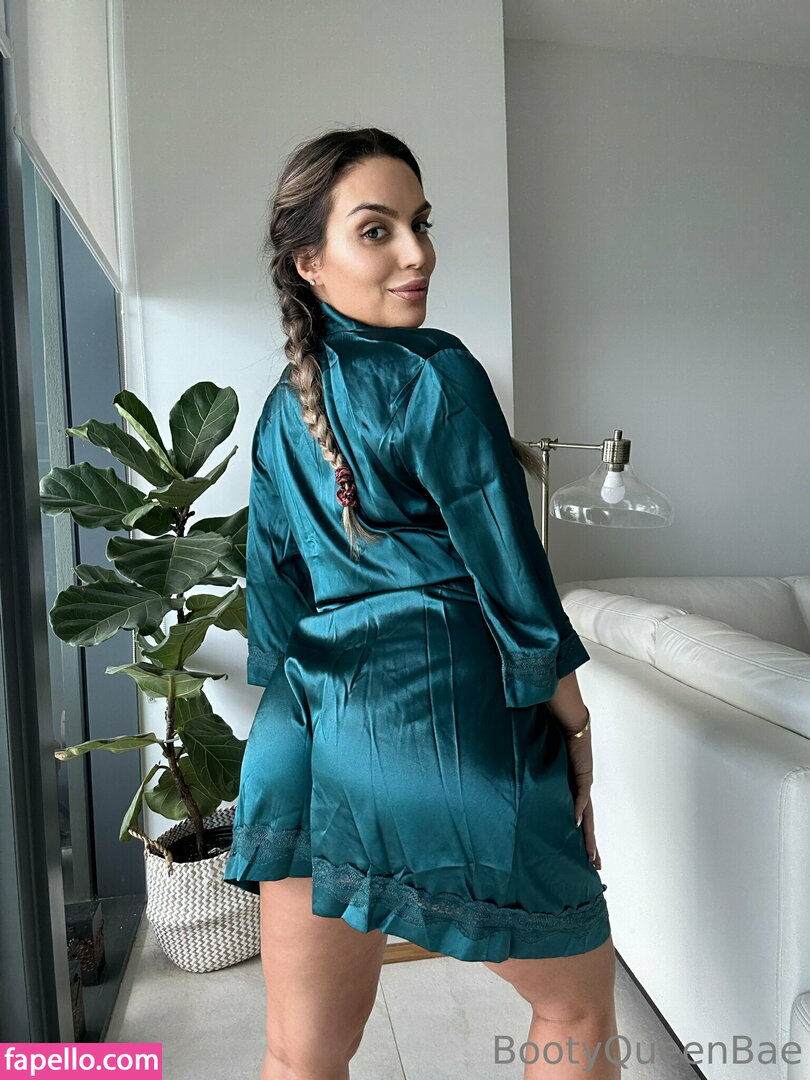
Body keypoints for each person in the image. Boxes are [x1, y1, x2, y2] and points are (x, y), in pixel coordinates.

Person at [223, 127, 620, 1080]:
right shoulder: (436, 370)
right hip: (432, 721)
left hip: (300, 738)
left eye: (421, 223)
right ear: (309, 261)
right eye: (378, 230)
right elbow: (508, 567)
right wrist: (572, 724)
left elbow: (271, 599)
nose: (418, 253)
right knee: (574, 1008)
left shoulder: (281, 409)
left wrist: (300, 706)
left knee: (299, 1053)